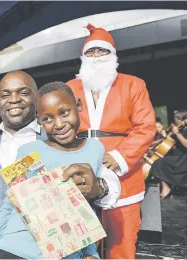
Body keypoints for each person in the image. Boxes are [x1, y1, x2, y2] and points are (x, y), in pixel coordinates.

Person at [0, 71, 121, 259]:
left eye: (23, 92)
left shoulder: (60, 139)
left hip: (60, 245)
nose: (14, 100)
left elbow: (106, 189)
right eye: (5, 94)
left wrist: (100, 187)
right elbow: (2, 200)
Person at [67, 23, 156, 259]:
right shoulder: (69, 88)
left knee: (121, 244)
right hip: (78, 170)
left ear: (113, 55)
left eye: (102, 51)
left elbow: (146, 127)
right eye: (91, 52)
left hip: (124, 176)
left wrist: (119, 157)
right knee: (77, 243)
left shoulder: (134, 84)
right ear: (83, 57)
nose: (96, 56)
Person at [149, 111, 187, 198]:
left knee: (158, 163)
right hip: (179, 158)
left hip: (185, 161)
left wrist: (177, 133)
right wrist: (167, 137)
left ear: (182, 120)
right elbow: (174, 147)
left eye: (176, 121)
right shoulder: (181, 130)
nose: (174, 123)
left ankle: (166, 189)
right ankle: (167, 186)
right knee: (160, 160)